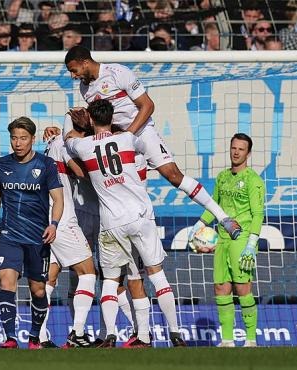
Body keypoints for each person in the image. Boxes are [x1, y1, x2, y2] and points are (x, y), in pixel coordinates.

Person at [63, 45, 242, 241]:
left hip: (141, 133)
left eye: (74, 70)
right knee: (130, 195)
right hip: (119, 141)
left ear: (85, 62)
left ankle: (223, 218)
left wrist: (128, 135)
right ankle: (138, 262)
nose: (73, 76)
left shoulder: (117, 72)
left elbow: (148, 105)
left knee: (173, 176)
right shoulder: (85, 88)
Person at [64, 99, 185, 348]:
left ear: (90, 119)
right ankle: (175, 333)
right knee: (156, 274)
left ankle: (109, 335)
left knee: (110, 280)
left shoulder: (83, 146)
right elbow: (147, 146)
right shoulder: (129, 139)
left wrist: (78, 125)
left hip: (111, 222)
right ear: (112, 117)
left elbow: (68, 139)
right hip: (140, 217)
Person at [0, 117, 64, 349]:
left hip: (38, 237)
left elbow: (58, 199)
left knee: (38, 289)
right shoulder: (1, 164)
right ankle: (9, 338)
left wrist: (54, 224)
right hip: (9, 235)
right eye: (14, 138)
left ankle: (35, 337)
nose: (18, 143)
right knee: (6, 282)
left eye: (23, 138)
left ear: (33, 139)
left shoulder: (46, 165)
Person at [190, 133, 265, 348]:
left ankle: (251, 340)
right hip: (222, 239)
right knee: (221, 287)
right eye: (233, 148)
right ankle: (227, 340)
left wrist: (252, 244)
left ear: (248, 153)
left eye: (241, 149)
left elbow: (258, 214)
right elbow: (215, 207)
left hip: (242, 240)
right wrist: (200, 224)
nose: (236, 152)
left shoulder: (254, 180)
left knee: (243, 288)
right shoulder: (222, 177)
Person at [36, 125, 98, 348]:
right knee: (88, 272)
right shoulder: (64, 144)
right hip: (62, 219)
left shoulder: (52, 144)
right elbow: (82, 173)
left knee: (49, 278)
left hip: (44, 219)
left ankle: (40, 336)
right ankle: (77, 333)